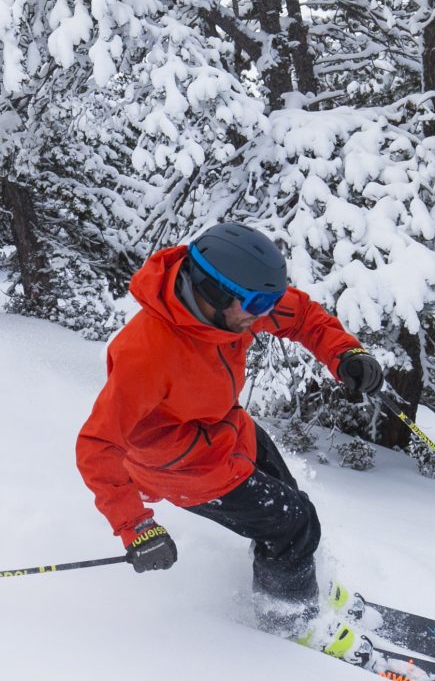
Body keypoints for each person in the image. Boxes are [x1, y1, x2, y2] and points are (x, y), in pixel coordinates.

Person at [76, 222, 388, 633]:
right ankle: (288, 619)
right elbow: (96, 445)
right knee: (292, 521)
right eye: (259, 304)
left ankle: (293, 578)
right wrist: (137, 529)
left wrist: (345, 354)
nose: (265, 313)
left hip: (226, 429)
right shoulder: (147, 352)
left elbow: (303, 317)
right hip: (179, 466)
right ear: (213, 293)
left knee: (290, 504)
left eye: (269, 302)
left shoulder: (233, 310)